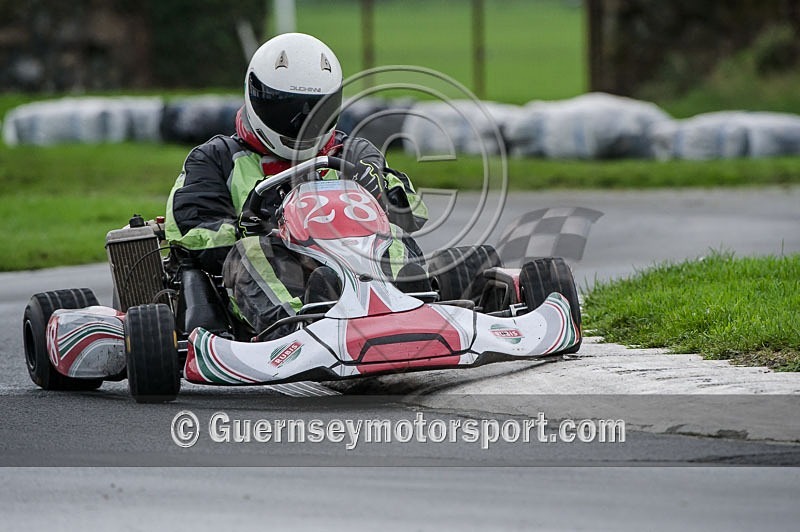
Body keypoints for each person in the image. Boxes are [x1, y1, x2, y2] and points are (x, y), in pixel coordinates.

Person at [164, 33, 428, 336]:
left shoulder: (353, 153)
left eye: (316, 109)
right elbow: (192, 232)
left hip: (358, 265)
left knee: (393, 236)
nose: (302, 120)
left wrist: (384, 193)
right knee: (249, 253)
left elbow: (414, 215)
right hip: (276, 274)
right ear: (257, 96)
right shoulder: (215, 159)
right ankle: (299, 329)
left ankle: (412, 306)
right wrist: (249, 228)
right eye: (287, 108)